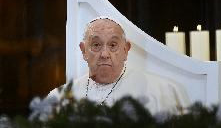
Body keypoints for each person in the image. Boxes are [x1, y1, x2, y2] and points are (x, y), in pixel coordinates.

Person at [48, 16, 190, 116]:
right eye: (96, 45)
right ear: (84, 50)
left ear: (125, 50)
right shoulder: (60, 98)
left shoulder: (160, 92)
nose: (104, 54)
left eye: (113, 45)